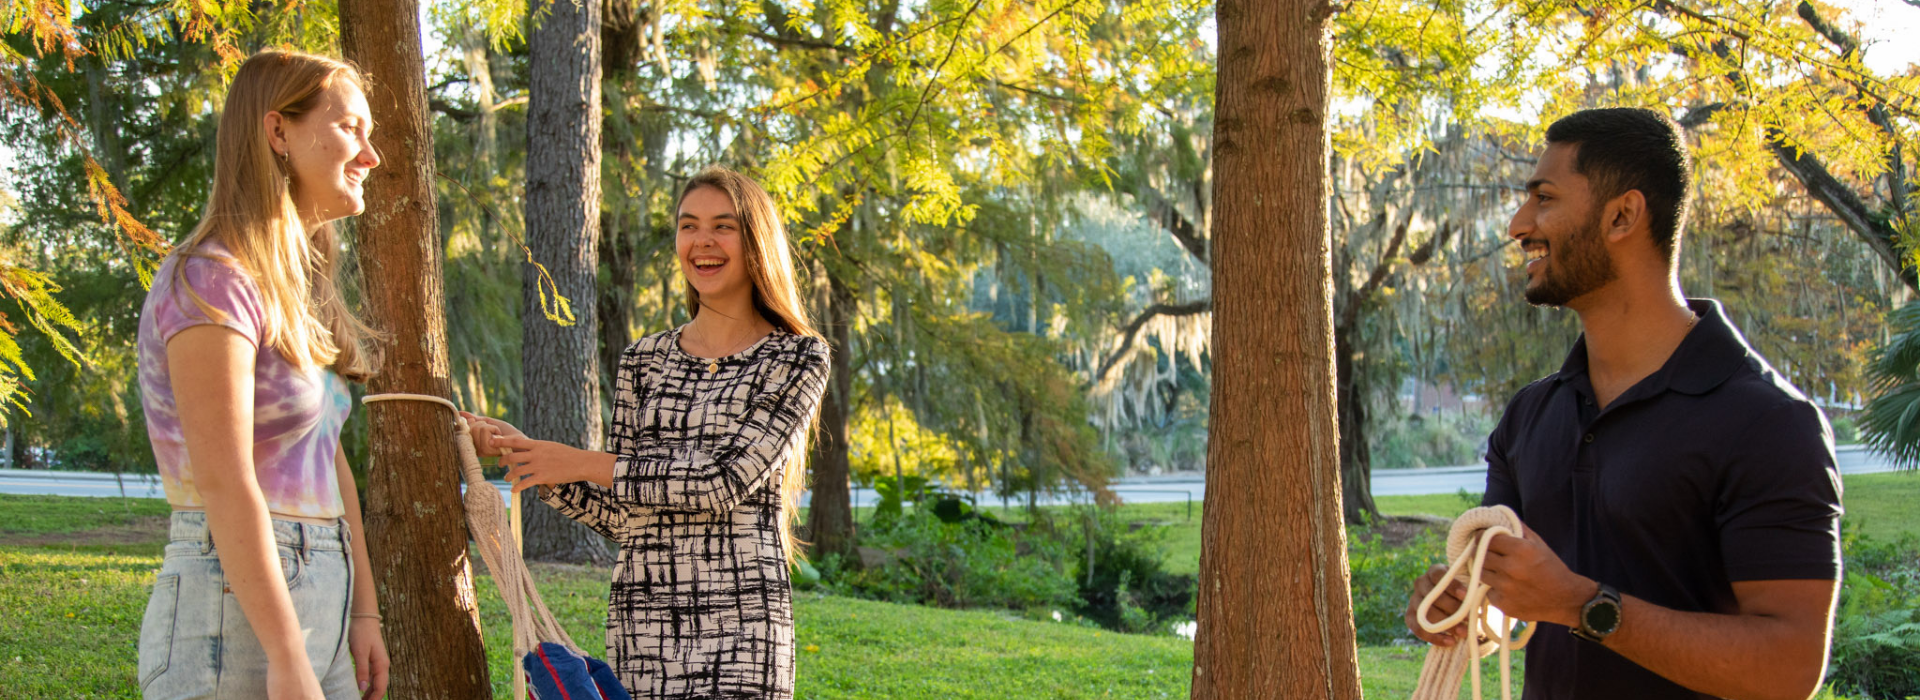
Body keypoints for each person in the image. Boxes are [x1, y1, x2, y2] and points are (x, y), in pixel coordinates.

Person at [1403, 107, 1843, 700]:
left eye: (1545, 198)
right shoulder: (1529, 417)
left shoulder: (1769, 423)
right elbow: (1514, 608)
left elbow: (1788, 666)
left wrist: (1581, 604)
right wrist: (1464, 603)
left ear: (1622, 215)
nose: (1518, 223)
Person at [464, 165, 831, 700]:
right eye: (688, 225)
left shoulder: (796, 356)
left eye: (723, 226)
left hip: (742, 625)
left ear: (756, 242)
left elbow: (724, 481)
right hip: (644, 624)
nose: (702, 241)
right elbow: (624, 513)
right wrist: (531, 460)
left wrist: (584, 462)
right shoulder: (644, 359)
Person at [135, 50, 389, 700]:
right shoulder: (209, 281)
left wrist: (362, 611)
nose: (371, 156)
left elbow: (326, 461)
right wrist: (285, 653)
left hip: (318, 604)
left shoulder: (291, 292)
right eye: (351, 129)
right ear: (278, 132)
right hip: (233, 613)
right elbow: (223, 480)